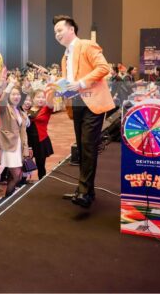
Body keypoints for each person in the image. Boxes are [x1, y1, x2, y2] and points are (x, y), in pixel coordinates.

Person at [53, 15, 115, 208]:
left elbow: (103, 67)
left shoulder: (87, 45)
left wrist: (80, 83)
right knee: (81, 147)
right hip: (77, 103)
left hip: (92, 102)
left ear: (71, 29)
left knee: (88, 145)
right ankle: (87, 190)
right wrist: (61, 88)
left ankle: (84, 192)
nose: (57, 35)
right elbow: (69, 83)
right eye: (55, 32)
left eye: (60, 30)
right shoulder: (65, 57)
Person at [26, 88, 55, 180]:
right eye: (38, 97)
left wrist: (50, 94)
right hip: (27, 140)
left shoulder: (46, 109)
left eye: (43, 97)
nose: (41, 99)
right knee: (25, 163)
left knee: (40, 165)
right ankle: (22, 182)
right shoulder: (27, 108)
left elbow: (50, 104)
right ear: (33, 98)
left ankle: (41, 182)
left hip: (41, 140)